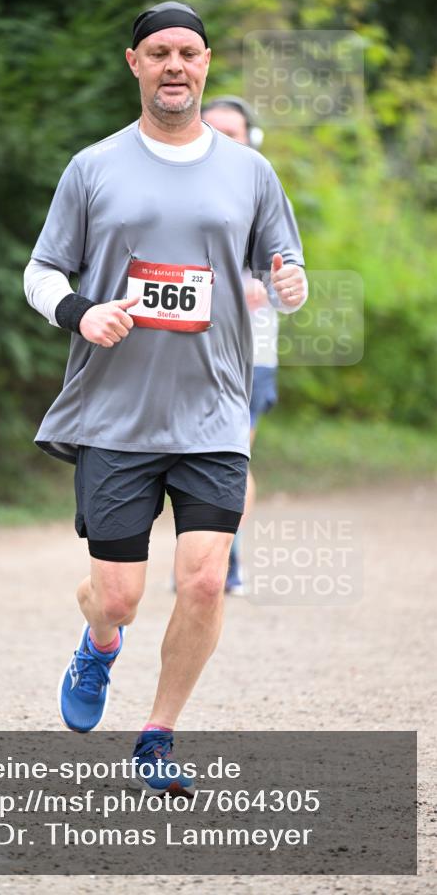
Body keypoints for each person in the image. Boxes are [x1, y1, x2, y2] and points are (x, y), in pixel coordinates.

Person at [24, 1, 307, 795]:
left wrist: (291, 283)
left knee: (205, 580)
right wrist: (81, 312)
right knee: (118, 597)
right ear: (135, 64)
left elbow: (285, 264)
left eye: (187, 51)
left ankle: (156, 737)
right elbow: (40, 271)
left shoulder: (248, 172)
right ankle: (98, 642)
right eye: (158, 52)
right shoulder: (93, 167)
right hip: (116, 415)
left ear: (205, 62)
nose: (173, 64)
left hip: (213, 412)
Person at [201, 97, 281, 594]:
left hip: (249, 356)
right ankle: (201, 556)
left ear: (252, 139)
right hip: (184, 353)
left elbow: (287, 272)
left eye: (232, 132)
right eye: (212, 129)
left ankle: (226, 559)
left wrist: (267, 288)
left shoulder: (262, 191)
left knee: (233, 457)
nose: (222, 139)